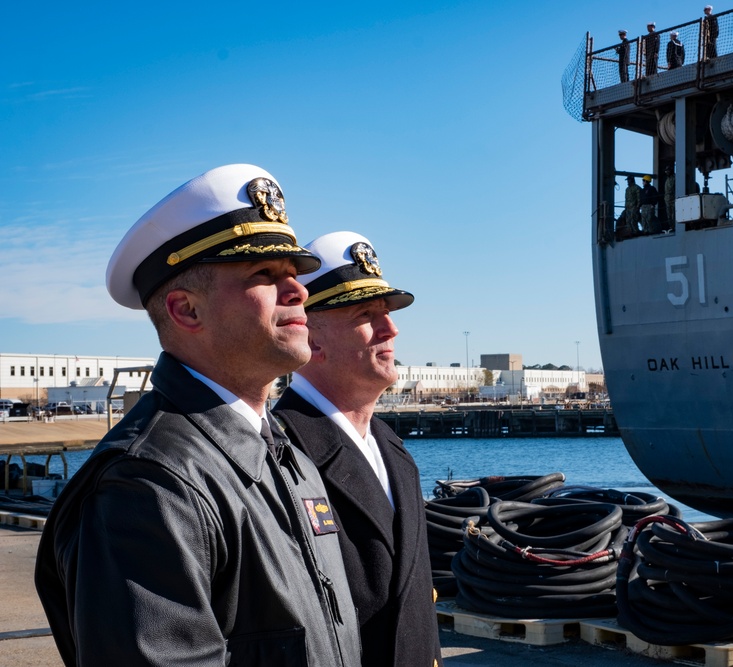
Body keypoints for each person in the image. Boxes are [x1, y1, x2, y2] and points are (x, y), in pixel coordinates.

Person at [34, 164, 363, 666]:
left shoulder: (286, 454)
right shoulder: (148, 487)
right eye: (265, 275)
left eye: (294, 273)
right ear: (187, 311)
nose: (299, 291)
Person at [273, 232, 440, 667]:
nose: (392, 328)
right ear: (313, 339)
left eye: (387, 313)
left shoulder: (391, 448)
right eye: (367, 315)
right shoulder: (279, 453)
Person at [662, 164, 676, 231]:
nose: (666, 172)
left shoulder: (675, 178)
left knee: (674, 214)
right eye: (666, 171)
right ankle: (672, 227)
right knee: (669, 216)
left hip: (673, 199)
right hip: (667, 200)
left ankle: (675, 227)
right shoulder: (667, 179)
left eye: (668, 170)